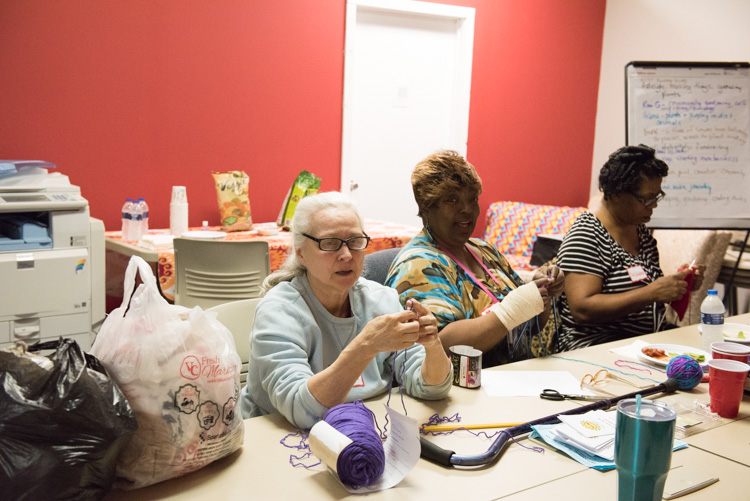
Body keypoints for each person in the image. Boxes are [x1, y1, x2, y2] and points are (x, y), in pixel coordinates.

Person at [239, 191, 452, 430]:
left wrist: (432, 345)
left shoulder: (381, 299)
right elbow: (304, 412)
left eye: (355, 241)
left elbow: (431, 388)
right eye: (329, 243)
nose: (346, 255)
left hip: (364, 430)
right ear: (300, 252)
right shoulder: (279, 311)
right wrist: (366, 345)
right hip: (275, 439)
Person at [385, 150, 565, 367]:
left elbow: (529, 326)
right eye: (452, 200)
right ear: (426, 207)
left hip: (512, 377)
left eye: (472, 199)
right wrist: (511, 310)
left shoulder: (485, 251)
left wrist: (542, 294)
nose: (467, 209)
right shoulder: (418, 264)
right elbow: (438, 345)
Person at [557, 145, 705, 351]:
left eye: (657, 196)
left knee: (706, 351)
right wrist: (651, 293)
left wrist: (678, 285)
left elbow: (647, 288)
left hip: (643, 340)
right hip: (597, 344)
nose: (653, 205)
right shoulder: (586, 235)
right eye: (646, 198)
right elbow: (582, 308)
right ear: (617, 193)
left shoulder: (639, 231)